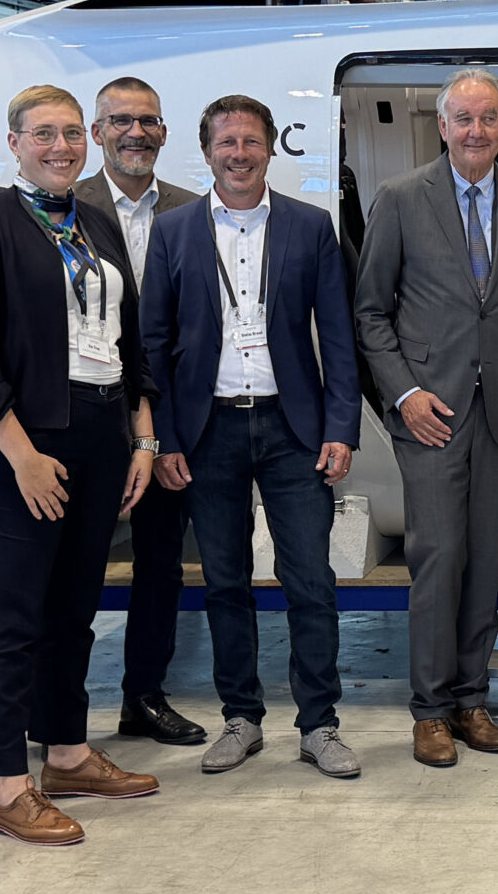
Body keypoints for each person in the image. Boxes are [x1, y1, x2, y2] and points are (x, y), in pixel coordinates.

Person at [0, 86, 163, 846]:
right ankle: (9, 787)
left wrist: (141, 438)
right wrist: (24, 458)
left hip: (100, 432)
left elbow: (130, 341)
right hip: (18, 443)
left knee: (74, 606)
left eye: (71, 133)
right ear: (14, 143)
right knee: (14, 613)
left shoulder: (94, 222)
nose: (60, 147)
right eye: (43, 134)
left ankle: (66, 753)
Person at [143, 94, 364, 779]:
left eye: (250, 142)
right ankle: (241, 718)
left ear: (271, 148)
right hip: (206, 431)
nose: (238, 154)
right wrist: (165, 438)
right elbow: (153, 343)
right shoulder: (174, 230)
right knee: (224, 582)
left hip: (292, 429)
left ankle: (319, 725)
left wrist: (341, 427)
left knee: (311, 580)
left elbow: (338, 336)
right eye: (226, 143)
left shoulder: (310, 226)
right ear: (206, 151)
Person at [355, 69, 498, 764]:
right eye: (463, 119)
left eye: (488, 118)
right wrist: (405, 395)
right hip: (431, 414)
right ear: (442, 126)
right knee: (438, 557)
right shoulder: (400, 198)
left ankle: (472, 701)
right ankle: (430, 711)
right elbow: (370, 312)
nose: (476, 131)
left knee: (484, 559)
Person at [78, 75, 209, 750]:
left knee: (161, 564)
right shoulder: (62, 208)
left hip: (167, 421)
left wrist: (161, 425)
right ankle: (55, 705)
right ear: (97, 131)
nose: (137, 132)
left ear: (164, 131)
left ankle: (144, 698)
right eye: (122, 120)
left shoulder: (194, 211)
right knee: (72, 568)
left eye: (149, 121)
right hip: (84, 416)